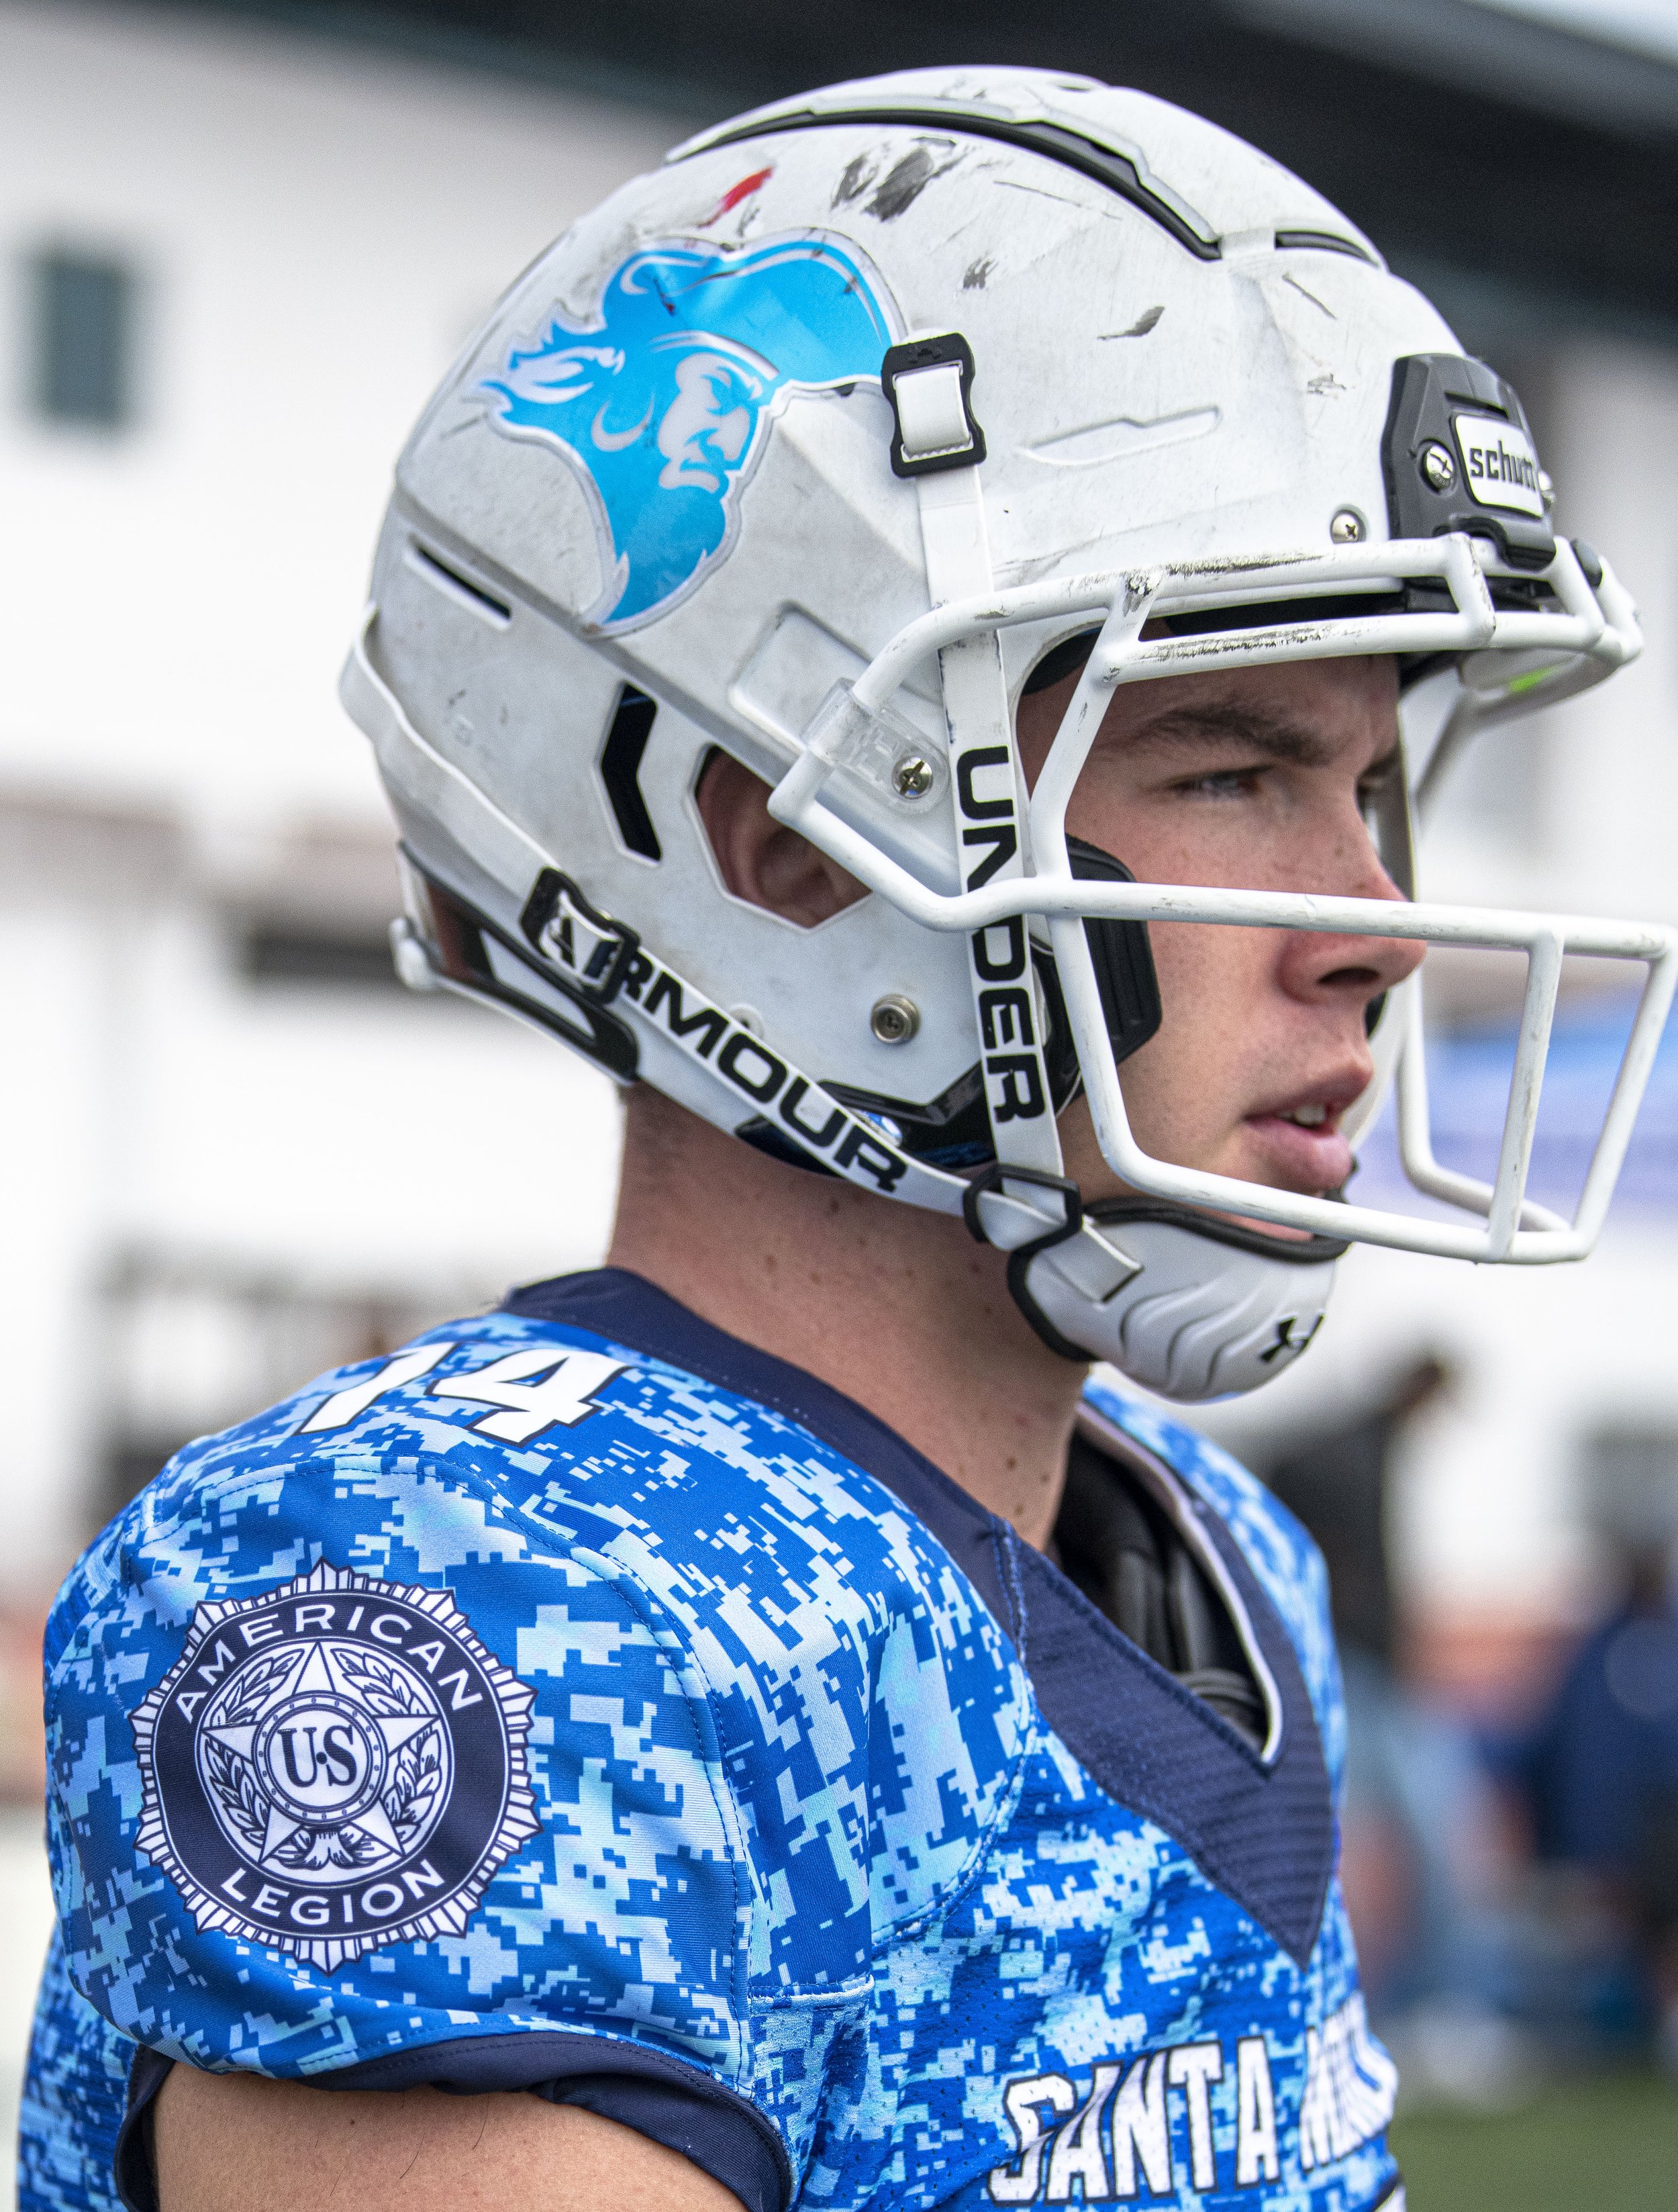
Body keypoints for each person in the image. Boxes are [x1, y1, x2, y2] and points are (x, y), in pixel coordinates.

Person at [19, 64, 1663, 2212]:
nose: (1368, 928)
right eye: (1234, 766)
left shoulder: (1206, 1548)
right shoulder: (478, 1593)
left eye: (1370, 788)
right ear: (787, 844)